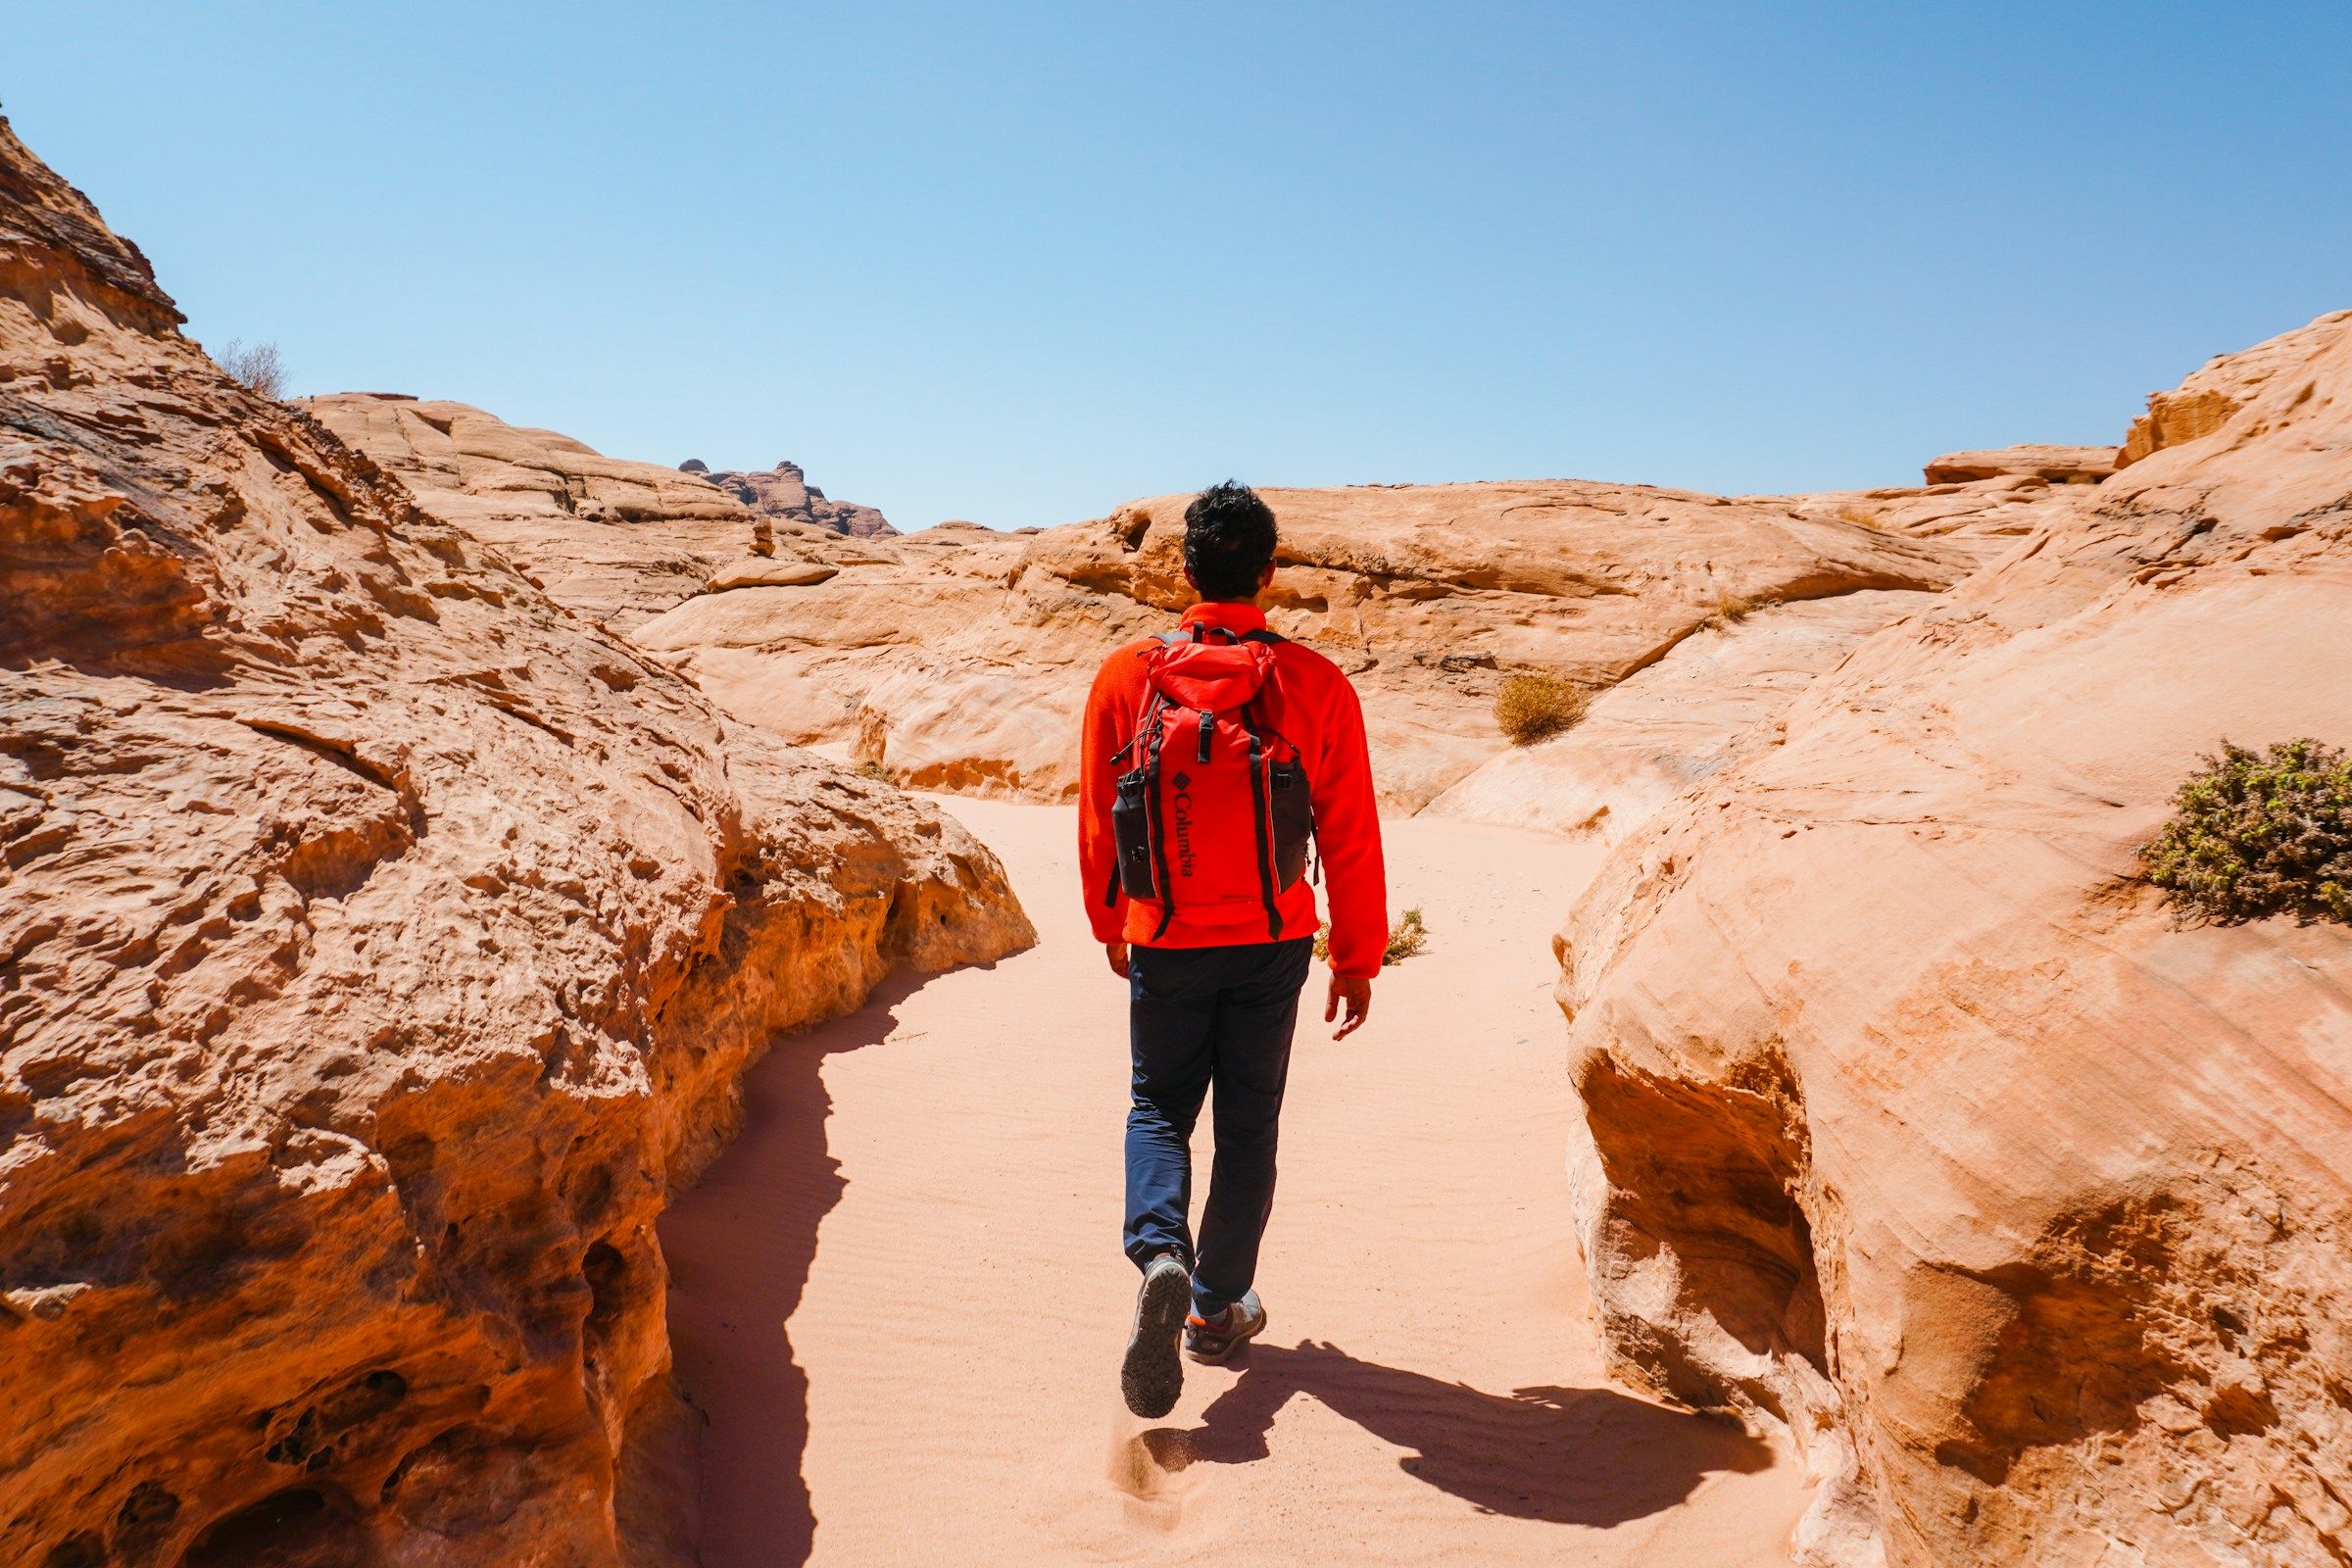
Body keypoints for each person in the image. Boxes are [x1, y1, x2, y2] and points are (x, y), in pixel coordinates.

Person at [1078, 480, 1388, 1419]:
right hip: (1274, 939)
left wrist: (1113, 922)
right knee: (1248, 1124)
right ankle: (1215, 1307)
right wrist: (1357, 954)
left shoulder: (1127, 675)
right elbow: (1350, 830)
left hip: (1166, 935)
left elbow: (1098, 818)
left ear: (1183, 570)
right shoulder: (1315, 682)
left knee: (1160, 1104)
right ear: (1269, 573)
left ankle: (1161, 1254)